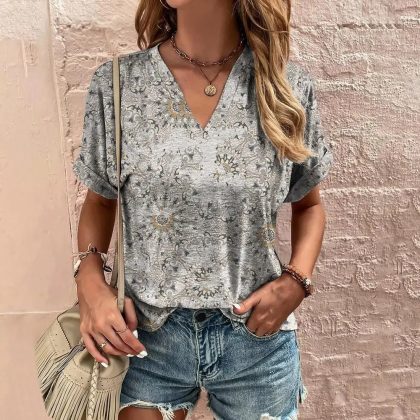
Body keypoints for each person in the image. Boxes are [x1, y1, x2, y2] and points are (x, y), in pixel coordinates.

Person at [72, 0, 333, 419]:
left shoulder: (285, 88)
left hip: (255, 338)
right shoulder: (119, 85)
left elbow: (309, 205)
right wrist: (89, 282)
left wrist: (296, 282)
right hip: (144, 336)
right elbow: (101, 200)